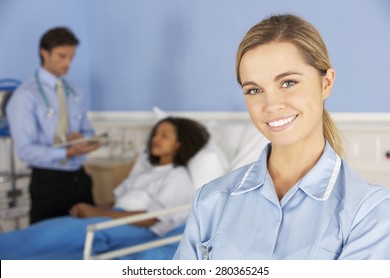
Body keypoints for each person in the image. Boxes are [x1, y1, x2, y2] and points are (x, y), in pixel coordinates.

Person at [174, 14, 390, 260]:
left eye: (288, 82)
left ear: (326, 83)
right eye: (254, 90)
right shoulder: (210, 201)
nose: (271, 104)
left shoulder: (369, 212)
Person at [0, 117, 210, 259]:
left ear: (179, 144)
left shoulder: (177, 176)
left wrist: (97, 212)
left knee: (58, 236)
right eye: (156, 133)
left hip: (138, 228)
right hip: (112, 217)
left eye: (165, 135)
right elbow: (117, 202)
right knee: (56, 231)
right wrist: (88, 210)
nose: (156, 138)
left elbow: (153, 219)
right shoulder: (146, 172)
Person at [6, 27, 101, 224]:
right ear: (44, 52)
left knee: (89, 240)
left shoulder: (74, 90)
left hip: (79, 179)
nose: (68, 63)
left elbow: (88, 129)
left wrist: (84, 139)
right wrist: (67, 152)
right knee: (49, 247)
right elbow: (26, 151)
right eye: (62, 56)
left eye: (72, 57)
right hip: (48, 183)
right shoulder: (25, 96)